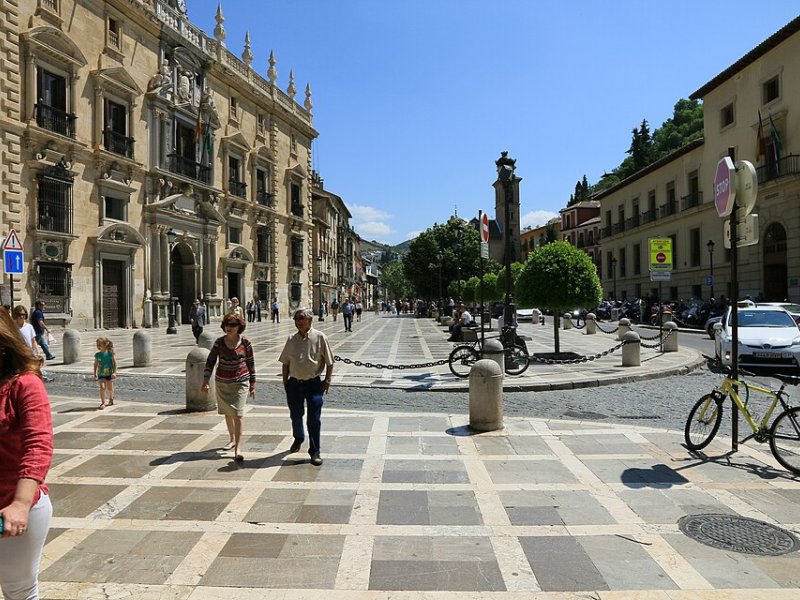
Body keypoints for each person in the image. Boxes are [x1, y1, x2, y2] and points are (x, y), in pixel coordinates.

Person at [0, 309, 54, 600]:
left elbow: (38, 445)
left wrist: (20, 503)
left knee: (18, 590)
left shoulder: (25, 384)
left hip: (15, 508)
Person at [278, 307, 334, 466]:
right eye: (296, 318)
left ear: (310, 319)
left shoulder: (320, 337)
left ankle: (315, 451)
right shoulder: (291, 339)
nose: (298, 321)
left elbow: (330, 362)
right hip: (294, 384)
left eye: (301, 318)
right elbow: (285, 362)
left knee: (314, 419)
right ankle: (299, 437)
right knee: (296, 414)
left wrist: (327, 381)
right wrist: (285, 382)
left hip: (314, 384)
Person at [201, 312, 255, 462]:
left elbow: (251, 363)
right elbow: (210, 361)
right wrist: (205, 380)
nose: (229, 327)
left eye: (232, 325)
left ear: (239, 327)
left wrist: (253, 383)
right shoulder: (219, 342)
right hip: (223, 382)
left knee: (238, 413)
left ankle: (238, 447)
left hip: (241, 381)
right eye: (226, 324)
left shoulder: (245, 343)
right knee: (228, 412)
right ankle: (231, 439)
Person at [93, 337, 117, 410]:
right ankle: (103, 402)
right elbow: (95, 364)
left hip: (109, 373)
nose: (98, 346)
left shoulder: (110, 354)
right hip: (101, 374)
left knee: (110, 388)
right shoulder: (97, 355)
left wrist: (114, 372)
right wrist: (95, 373)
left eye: (99, 345)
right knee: (102, 387)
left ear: (105, 345)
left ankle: (111, 399)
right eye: (97, 345)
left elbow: (115, 363)